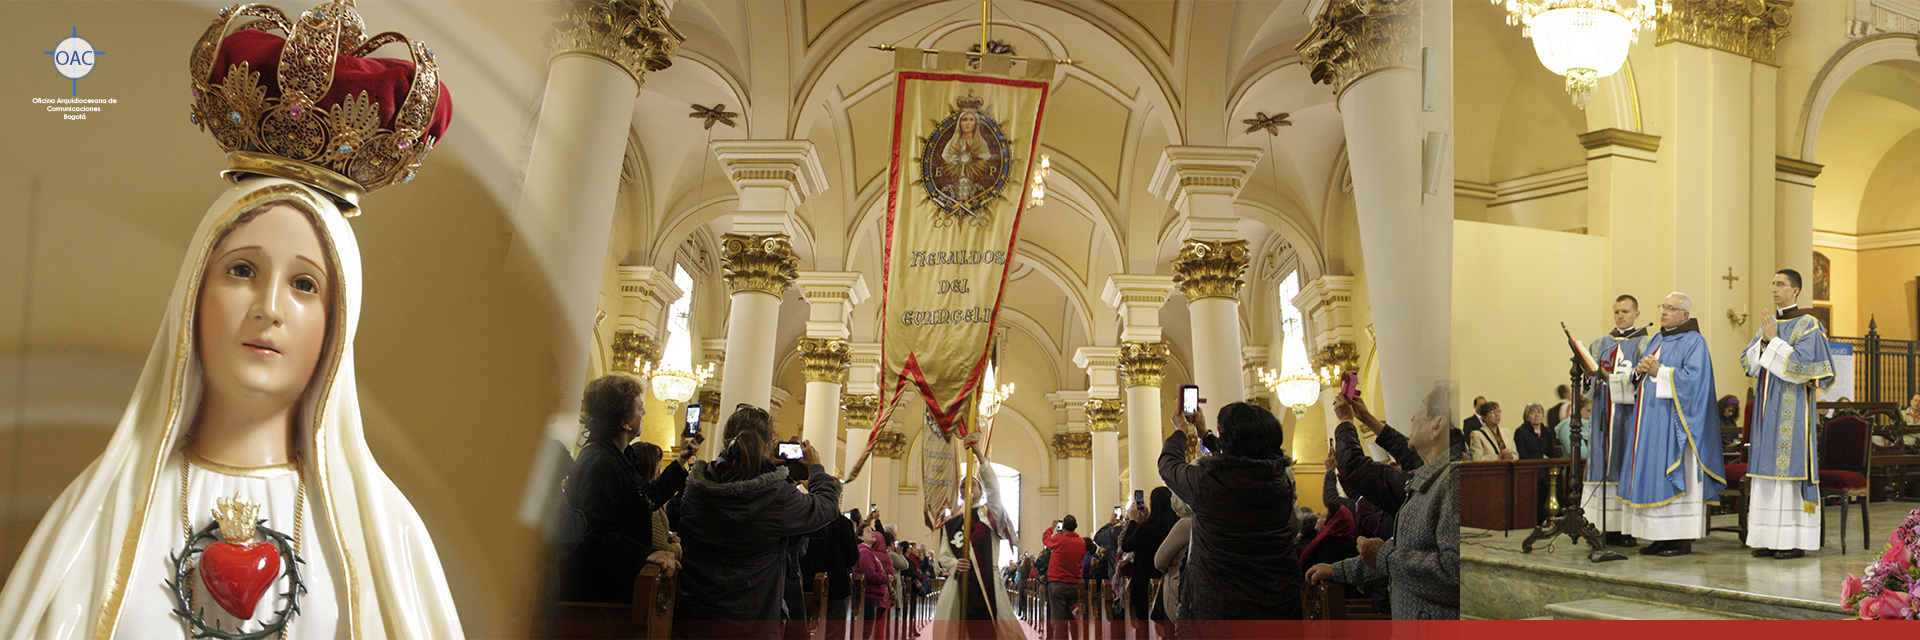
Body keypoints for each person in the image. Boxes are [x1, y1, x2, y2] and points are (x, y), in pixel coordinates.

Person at [0, 4, 462, 635]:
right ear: (194, 288)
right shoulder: (96, 519)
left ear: (338, 323)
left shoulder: (388, 538)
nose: (269, 307)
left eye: (305, 285)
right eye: (242, 270)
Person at [673, 405, 842, 638]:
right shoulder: (776, 494)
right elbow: (826, 507)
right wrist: (816, 469)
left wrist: (764, 465)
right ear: (769, 445)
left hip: (696, 613)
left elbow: (676, 517)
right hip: (754, 616)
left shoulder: (696, 485)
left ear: (726, 439)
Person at [1307, 389, 1461, 620]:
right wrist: (1337, 571)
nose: (1413, 417)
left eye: (1421, 408)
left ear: (1437, 426)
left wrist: (1346, 422)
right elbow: (1399, 552)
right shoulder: (1430, 478)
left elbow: (1454, 573)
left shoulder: (1453, 482)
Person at [1158, 402, 1302, 625]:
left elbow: (1168, 466)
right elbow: (1245, 459)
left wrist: (1180, 431)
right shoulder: (1282, 479)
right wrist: (1206, 436)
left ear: (1225, 435)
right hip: (1278, 596)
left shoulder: (1207, 481)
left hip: (1220, 603)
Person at [555, 375, 695, 603]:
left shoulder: (620, 456)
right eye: (640, 408)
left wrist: (681, 460)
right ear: (624, 422)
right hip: (598, 591)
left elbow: (647, 498)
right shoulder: (601, 462)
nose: (644, 412)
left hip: (615, 581)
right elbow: (596, 533)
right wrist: (647, 553)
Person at [1622, 292, 1727, 557]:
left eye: (1670, 308)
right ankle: (1659, 537)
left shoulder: (1694, 341)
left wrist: (1660, 371)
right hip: (1650, 422)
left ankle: (1679, 538)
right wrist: (1639, 370)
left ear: (1685, 315)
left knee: (1676, 475)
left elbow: (1695, 382)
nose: (1664, 312)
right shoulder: (1656, 339)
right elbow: (1641, 376)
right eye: (1663, 307)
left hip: (1676, 425)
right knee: (1653, 476)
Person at [1741, 269, 1836, 560]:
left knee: (1788, 473)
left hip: (1792, 410)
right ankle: (1766, 538)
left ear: (1795, 290)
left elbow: (1807, 368)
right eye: (1772, 283)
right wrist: (1764, 341)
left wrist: (1774, 341)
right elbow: (1749, 364)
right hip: (1766, 409)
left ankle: (1791, 540)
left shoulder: (1809, 324)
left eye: (1780, 284)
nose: (1774, 288)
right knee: (1766, 475)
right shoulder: (1769, 324)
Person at [1582, 293, 1650, 547]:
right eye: (1616, 312)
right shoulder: (1600, 344)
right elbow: (1588, 388)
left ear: (1636, 314)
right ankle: (1599, 526)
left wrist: (1610, 378)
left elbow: (1645, 381)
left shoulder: (1645, 343)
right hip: (1602, 414)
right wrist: (1589, 375)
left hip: (1628, 416)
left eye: (1625, 311)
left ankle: (1625, 529)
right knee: (1601, 464)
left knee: (1624, 465)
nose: (1620, 316)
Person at [799, 510, 860, 638]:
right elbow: (852, 557)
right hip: (836, 585)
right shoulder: (842, 523)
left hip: (806, 583)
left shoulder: (804, 518)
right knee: (834, 631)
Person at [1042, 515, 1087, 637]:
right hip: (1074, 585)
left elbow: (1046, 539)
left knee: (1060, 621)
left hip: (1058, 584)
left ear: (1064, 526)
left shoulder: (1059, 539)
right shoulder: (1081, 542)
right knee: (1074, 619)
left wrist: (1051, 528)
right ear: (1076, 526)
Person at [1151, 498, 1195, 620]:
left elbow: (1159, 561)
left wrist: (1170, 561)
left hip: (1178, 593)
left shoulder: (1185, 524)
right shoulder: (1205, 524)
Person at [853, 530, 895, 637]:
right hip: (869, 595)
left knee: (868, 631)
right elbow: (870, 575)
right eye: (868, 531)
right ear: (860, 537)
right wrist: (886, 578)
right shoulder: (864, 552)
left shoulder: (869, 551)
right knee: (866, 632)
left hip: (872, 595)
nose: (872, 533)